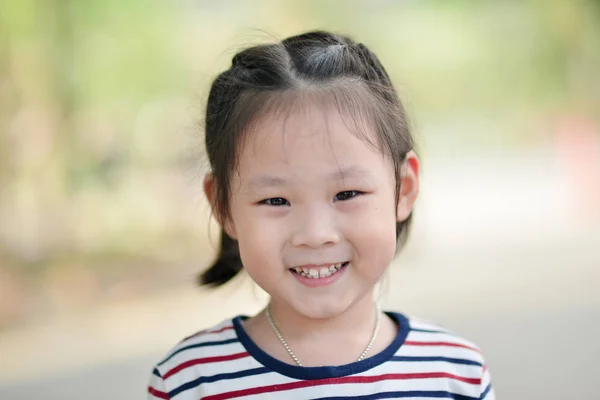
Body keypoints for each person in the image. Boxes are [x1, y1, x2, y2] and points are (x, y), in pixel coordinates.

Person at [147, 30, 494, 400]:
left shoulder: (452, 374)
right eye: (276, 200)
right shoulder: (192, 380)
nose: (315, 234)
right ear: (223, 206)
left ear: (404, 188)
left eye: (347, 193)